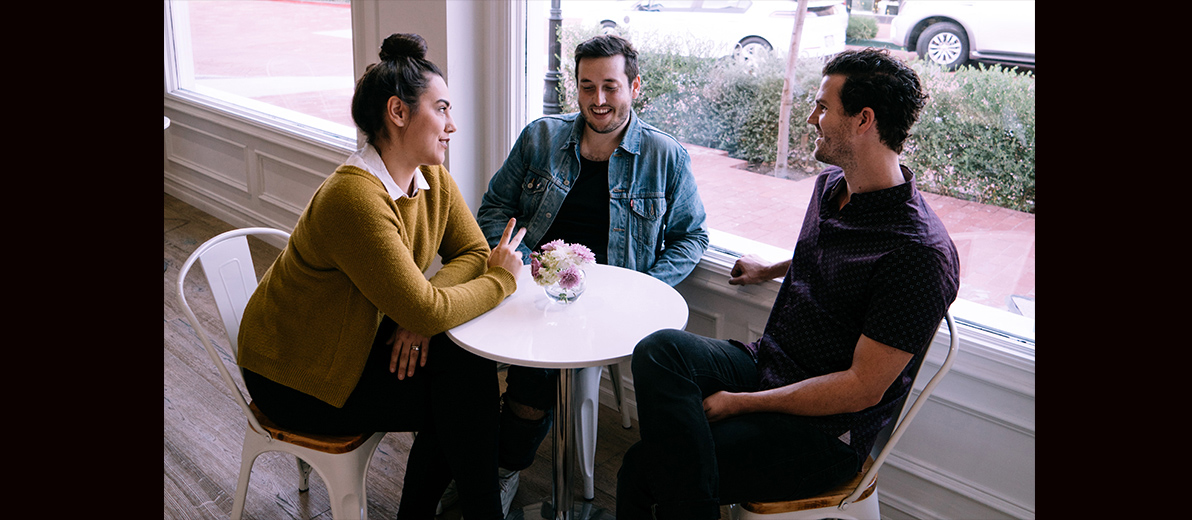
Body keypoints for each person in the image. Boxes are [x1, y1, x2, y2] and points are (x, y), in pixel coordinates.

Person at [615, 48, 961, 519]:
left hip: (826, 432)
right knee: (659, 350)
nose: (812, 118)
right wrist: (772, 268)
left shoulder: (919, 253)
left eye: (822, 107)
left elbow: (861, 389)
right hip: (772, 363)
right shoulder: (832, 187)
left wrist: (743, 404)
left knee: (643, 470)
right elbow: (839, 255)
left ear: (863, 119)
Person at [234, 33, 526, 520]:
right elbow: (445, 294)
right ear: (398, 112)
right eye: (442, 108)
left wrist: (421, 315)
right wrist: (501, 281)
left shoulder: (431, 177)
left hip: (354, 344)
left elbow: (472, 251)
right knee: (459, 395)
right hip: (297, 373)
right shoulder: (354, 199)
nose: (452, 124)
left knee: (462, 372)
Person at [439, 34, 708, 514]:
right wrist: (522, 266)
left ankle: (502, 468)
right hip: (527, 283)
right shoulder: (540, 137)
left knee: (536, 375)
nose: (598, 100)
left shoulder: (665, 156)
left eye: (610, 86)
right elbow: (495, 206)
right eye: (587, 86)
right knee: (459, 358)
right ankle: (465, 461)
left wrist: (645, 288)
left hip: (608, 306)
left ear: (634, 86)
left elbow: (692, 236)